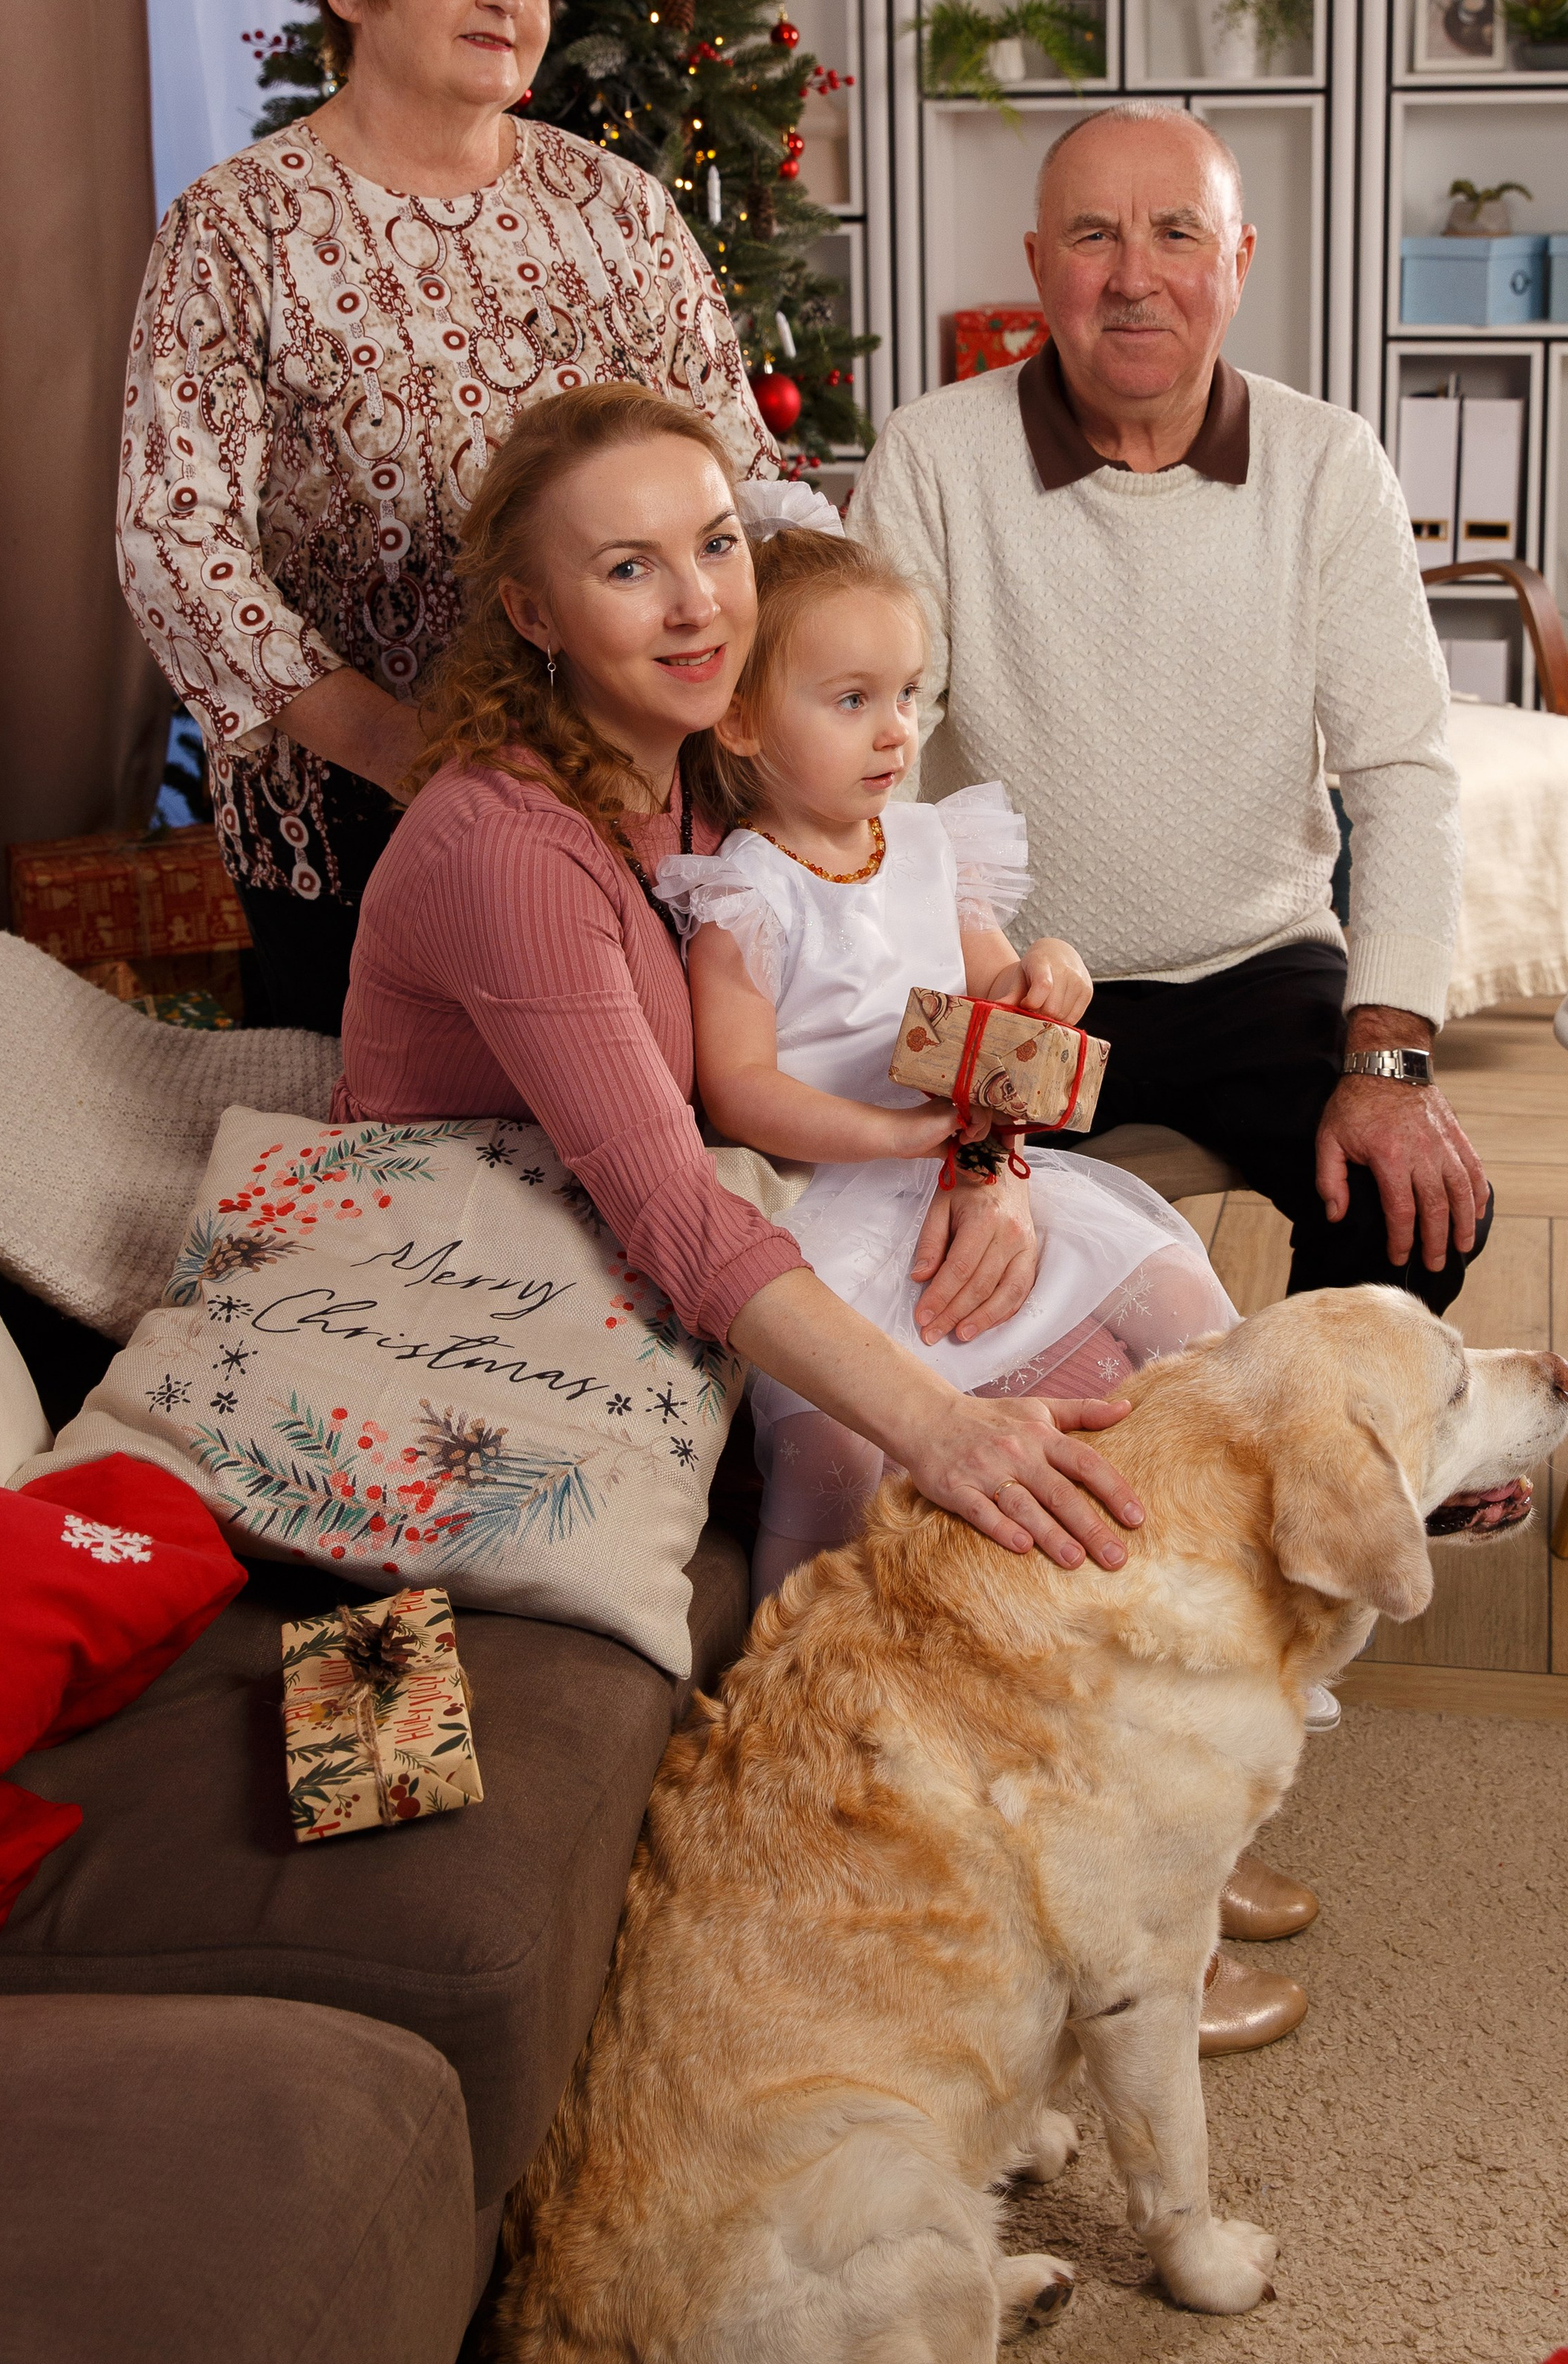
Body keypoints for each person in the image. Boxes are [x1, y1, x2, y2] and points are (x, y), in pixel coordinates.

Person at [335, 378, 1146, 1592]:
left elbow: (917, 988)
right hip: (480, 1270)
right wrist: (936, 1425)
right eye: (626, 567)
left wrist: (991, 1168)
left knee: (1118, 1344)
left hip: (705, 1212)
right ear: (533, 612)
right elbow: (674, 1208)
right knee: (1027, 1432)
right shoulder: (509, 850)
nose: (698, 602)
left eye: (716, 544)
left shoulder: (699, 778)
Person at [117, 0, 780, 1036]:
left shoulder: (617, 209)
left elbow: (744, 474)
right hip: (355, 806)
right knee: (414, 1175)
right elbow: (178, 538)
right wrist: (405, 748)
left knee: (629, 1146)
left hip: (626, 784)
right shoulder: (238, 225)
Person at [852, 101, 1494, 1320]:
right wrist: (947, 973)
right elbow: (860, 760)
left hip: (1261, 965)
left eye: (1178, 235)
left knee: (1419, 1215)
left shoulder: (1329, 462)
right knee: (919, 1244)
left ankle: (1279, 1460)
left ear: (1238, 262)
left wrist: (1391, 1062)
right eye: (1093, 236)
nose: (1135, 278)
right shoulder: (933, 456)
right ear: (1040, 267)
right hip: (1013, 976)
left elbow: (1404, 773)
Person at [652, 496, 1240, 1604]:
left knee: (1174, 1288)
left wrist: (1051, 970)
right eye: (853, 700)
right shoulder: (748, 889)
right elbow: (736, 1089)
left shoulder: (926, 843)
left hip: (960, 1164)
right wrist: (890, 1132)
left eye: (910, 694)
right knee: (832, 1451)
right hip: (826, 1203)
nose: (896, 730)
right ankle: (796, 1664)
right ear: (738, 720)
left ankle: (1223, 1558)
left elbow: (1003, 986)